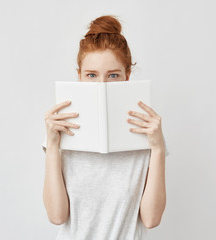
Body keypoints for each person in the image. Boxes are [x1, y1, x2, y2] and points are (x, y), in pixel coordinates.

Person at [42, 15, 169, 240]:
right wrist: (52, 145)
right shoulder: (62, 131)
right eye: (91, 75)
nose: (101, 85)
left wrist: (158, 148)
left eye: (113, 75)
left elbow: (151, 219)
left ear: (127, 77)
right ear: (79, 77)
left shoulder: (146, 133)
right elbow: (57, 216)